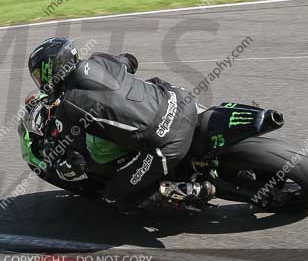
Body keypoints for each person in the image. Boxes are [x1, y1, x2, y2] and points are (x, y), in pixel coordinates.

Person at [27, 37, 213, 211]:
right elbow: (130, 61)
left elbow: (77, 162)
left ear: (52, 69)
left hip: (167, 143)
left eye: (38, 75)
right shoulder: (98, 60)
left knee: (115, 196)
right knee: (150, 84)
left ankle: (189, 191)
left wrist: (59, 165)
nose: (39, 81)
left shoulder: (67, 108)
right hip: (180, 100)